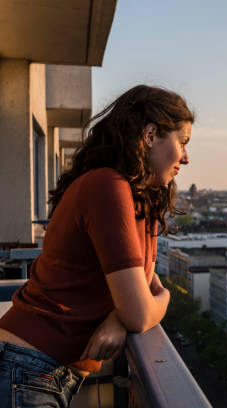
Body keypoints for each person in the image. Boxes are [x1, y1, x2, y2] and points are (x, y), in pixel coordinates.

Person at [0, 85, 194, 407]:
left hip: (40, 372)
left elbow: (142, 292)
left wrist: (122, 316)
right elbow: (142, 306)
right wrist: (162, 299)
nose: (186, 158)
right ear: (149, 134)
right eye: (182, 142)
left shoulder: (136, 201)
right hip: (26, 368)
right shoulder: (107, 186)